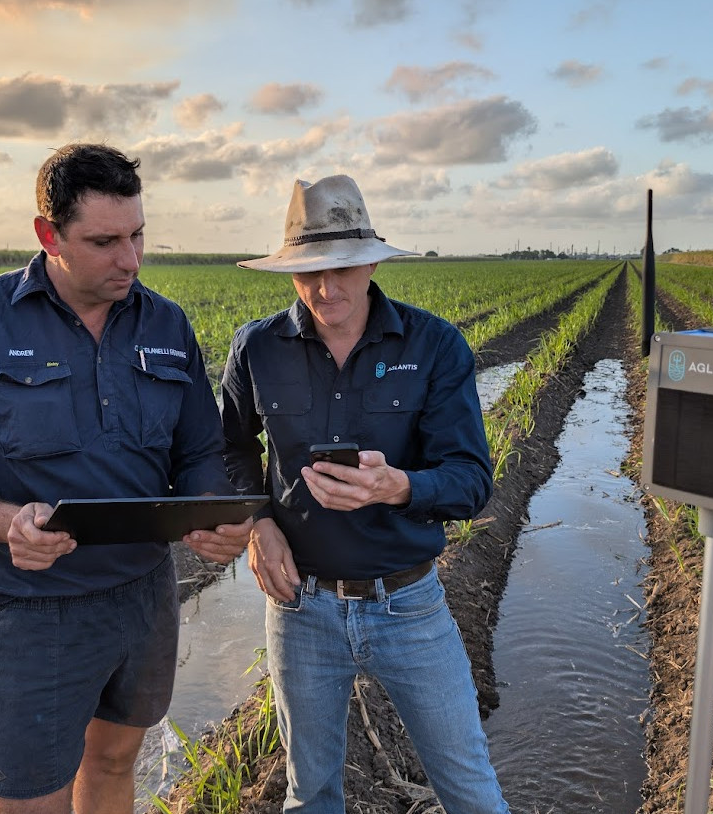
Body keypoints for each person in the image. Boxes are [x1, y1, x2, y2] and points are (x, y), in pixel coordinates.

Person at [0, 143, 251, 814]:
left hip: (143, 598)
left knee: (112, 763)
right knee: (27, 797)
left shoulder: (165, 323)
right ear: (48, 236)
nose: (130, 260)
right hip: (32, 605)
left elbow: (198, 449)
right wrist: (4, 522)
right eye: (104, 241)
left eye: (138, 235)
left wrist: (209, 513)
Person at [220, 174, 510, 813]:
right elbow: (230, 451)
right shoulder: (257, 349)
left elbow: (471, 479)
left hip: (407, 604)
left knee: (469, 789)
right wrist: (259, 525)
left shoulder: (433, 345)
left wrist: (398, 485)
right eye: (308, 272)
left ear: (372, 260)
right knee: (312, 792)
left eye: (342, 269)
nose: (326, 289)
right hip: (300, 610)